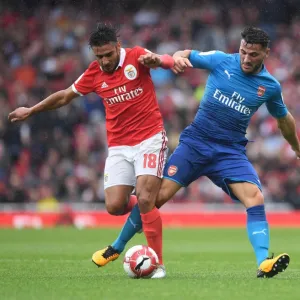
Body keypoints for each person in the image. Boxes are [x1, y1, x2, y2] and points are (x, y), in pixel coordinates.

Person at [97, 26, 300, 278]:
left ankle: (263, 263)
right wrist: (180, 58)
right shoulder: (221, 60)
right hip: (195, 145)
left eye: (254, 55)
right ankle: (116, 246)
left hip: (229, 152)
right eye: (243, 52)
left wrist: (296, 147)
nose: (246, 59)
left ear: (266, 54)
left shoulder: (269, 86)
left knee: (255, 198)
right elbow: (186, 54)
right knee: (153, 198)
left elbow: (284, 120)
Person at [8, 23, 176, 279]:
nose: (104, 61)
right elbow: (65, 96)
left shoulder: (136, 56)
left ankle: (158, 263)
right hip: (119, 145)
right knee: (115, 205)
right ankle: (144, 212)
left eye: (108, 54)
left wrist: (158, 59)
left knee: (144, 197)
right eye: (99, 56)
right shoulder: (94, 72)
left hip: (150, 138)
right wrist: (31, 110)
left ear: (118, 47)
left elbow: (165, 61)